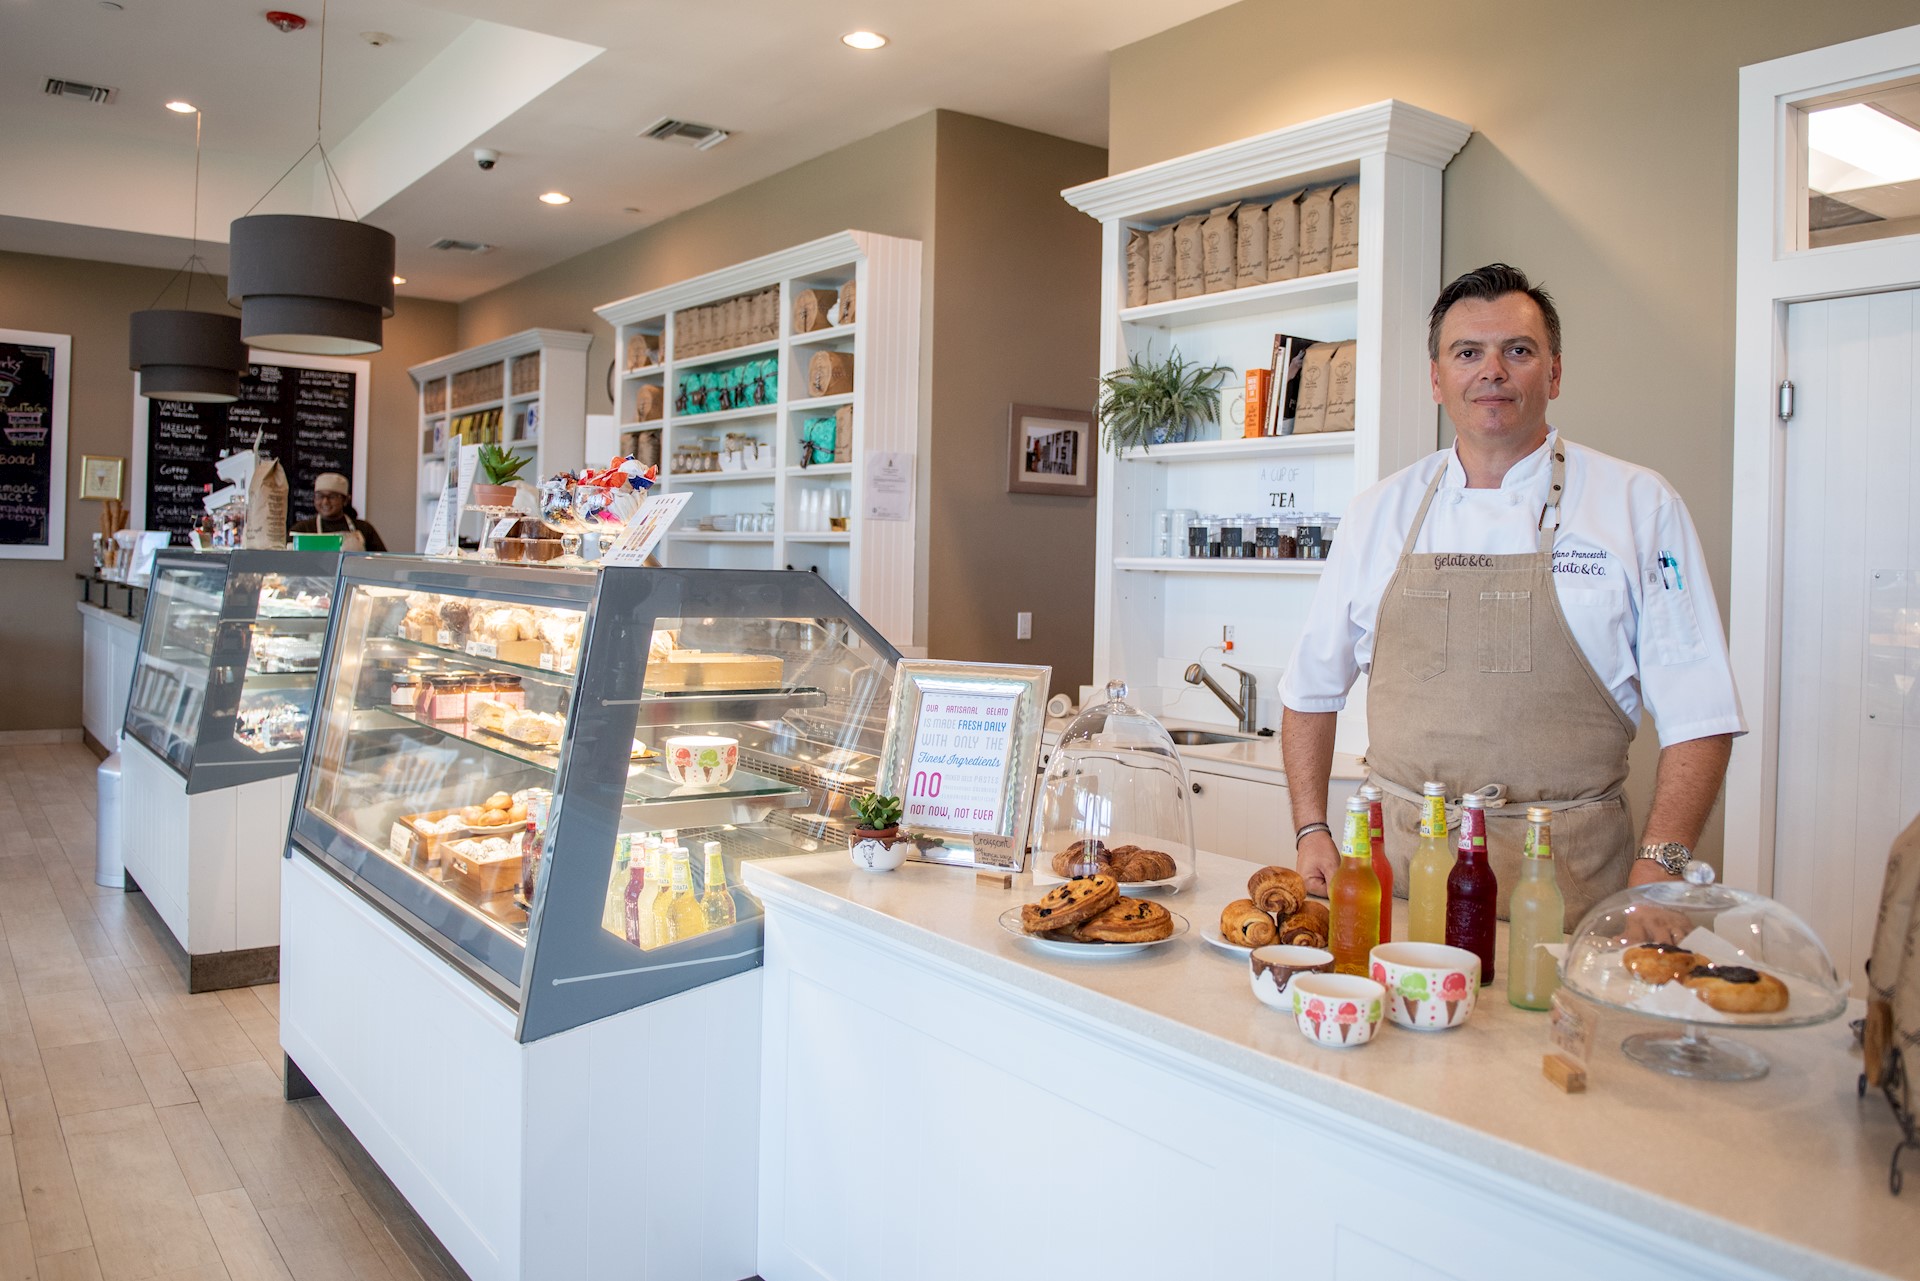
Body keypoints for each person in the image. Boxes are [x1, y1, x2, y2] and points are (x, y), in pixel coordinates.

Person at [1280, 263, 1744, 925]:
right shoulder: (1377, 513)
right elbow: (1309, 691)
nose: (1491, 370)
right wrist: (1310, 828)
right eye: (1467, 352)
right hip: (1401, 885)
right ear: (1436, 379)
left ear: (1553, 373)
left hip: (1569, 891)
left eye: (1517, 351)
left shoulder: (1640, 507)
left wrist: (1658, 868)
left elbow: (1702, 715)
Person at [290, 472, 387, 552]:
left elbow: (382, 562)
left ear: (345, 500)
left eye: (332, 497)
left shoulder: (364, 528)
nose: (325, 502)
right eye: (320, 496)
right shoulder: (302, 529)